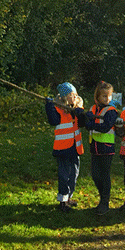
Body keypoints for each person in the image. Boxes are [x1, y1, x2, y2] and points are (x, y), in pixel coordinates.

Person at [79, 82, 121, 216]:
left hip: (107, 147)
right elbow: (85, 124)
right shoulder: (93, 109)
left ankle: (105, 201)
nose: (107, 99)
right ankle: (102, 196)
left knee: (104, 174)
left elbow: (105, 127)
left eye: (109, 96)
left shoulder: (111, 111)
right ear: (97, 96)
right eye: (104, 96)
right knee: (95, 175)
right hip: (94, 147)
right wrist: (85, 118)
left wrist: (91, 124)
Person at [45, 83, 87, 211]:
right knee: (64, 175)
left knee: (74, 174)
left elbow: (83, 124)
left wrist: (81, 114)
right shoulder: (57, 109)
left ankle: (69, 197)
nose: (74, 97)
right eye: (70, 95)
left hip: (75, 148)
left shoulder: (77, 109)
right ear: (64, 97)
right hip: (62, 148)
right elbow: (53, 121)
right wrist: (49, 106)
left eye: (75, 94)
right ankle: (62, 200)